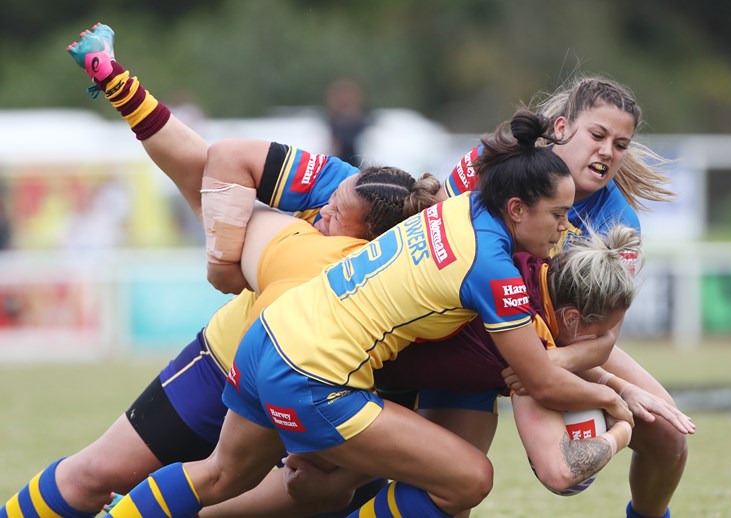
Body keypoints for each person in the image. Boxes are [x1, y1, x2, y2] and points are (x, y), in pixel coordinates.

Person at [103, 108, 640, 518]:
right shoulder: (492, 269)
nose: (565, 228)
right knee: (470, 479)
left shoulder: (462, 205)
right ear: (518, 209)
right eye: (560, 215)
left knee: (220, 477)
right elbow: (542, 383)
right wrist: (619, 406)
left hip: (268, 335)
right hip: (313, 376)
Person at [0, 24, 440, 518]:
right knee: (94, 476)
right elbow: (205, 164)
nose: (321, 215)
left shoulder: (401, 276)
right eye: (328, 205)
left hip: (326, 395)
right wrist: (223, 260)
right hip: (225, 359)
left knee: (271, 497)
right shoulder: (348, 189)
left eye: (335, 217)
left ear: (368, 244)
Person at [433, 75, 687, 518]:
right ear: (563, 126)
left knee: (668, 434)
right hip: (465, 332)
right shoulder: (495, 162)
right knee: (451, 487)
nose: (608, 152)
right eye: (598, 135)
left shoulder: (619, 223)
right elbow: (434, 233)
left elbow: (602, 339)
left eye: (621, 144)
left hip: (552, 344)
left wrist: (550, 365)